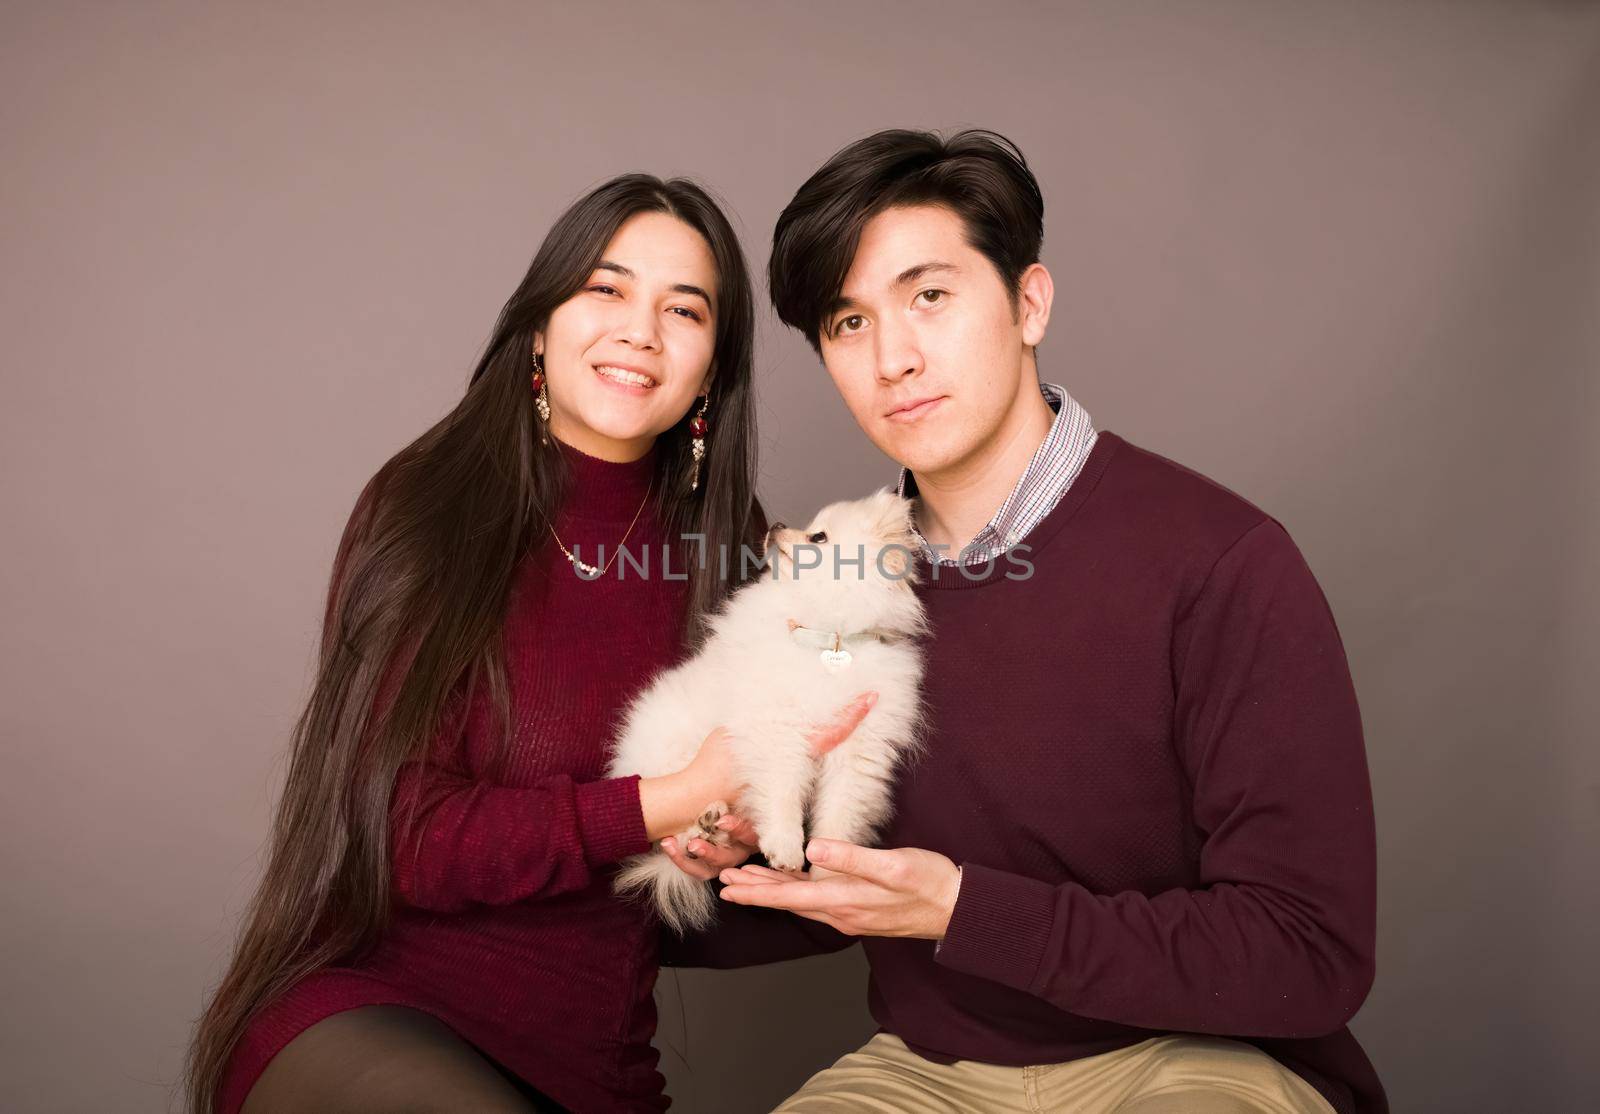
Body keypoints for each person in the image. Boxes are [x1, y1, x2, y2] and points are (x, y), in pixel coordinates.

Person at [660, 129, 1388, 1114]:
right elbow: (847, 887)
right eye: (847, 323)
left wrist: (963, 910)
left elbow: (1307, 953)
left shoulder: (1221, 563)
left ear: (1028, 301)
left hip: (1199, 1062)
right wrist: (712, 858)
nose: (894, 358)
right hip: (929, 1071)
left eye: (929, 295)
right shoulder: (835, 592)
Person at [182, 173, 873, 1114]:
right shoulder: (429, 505)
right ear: (540, 327)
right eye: (606, 289)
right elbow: (402, 835)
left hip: (598, 1065)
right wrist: (673, 797)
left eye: (685, 309)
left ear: (712, 368)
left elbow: (734, 889)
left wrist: (730, 846)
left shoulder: (734, 556)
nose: (641, 330)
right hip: (374, 1025)